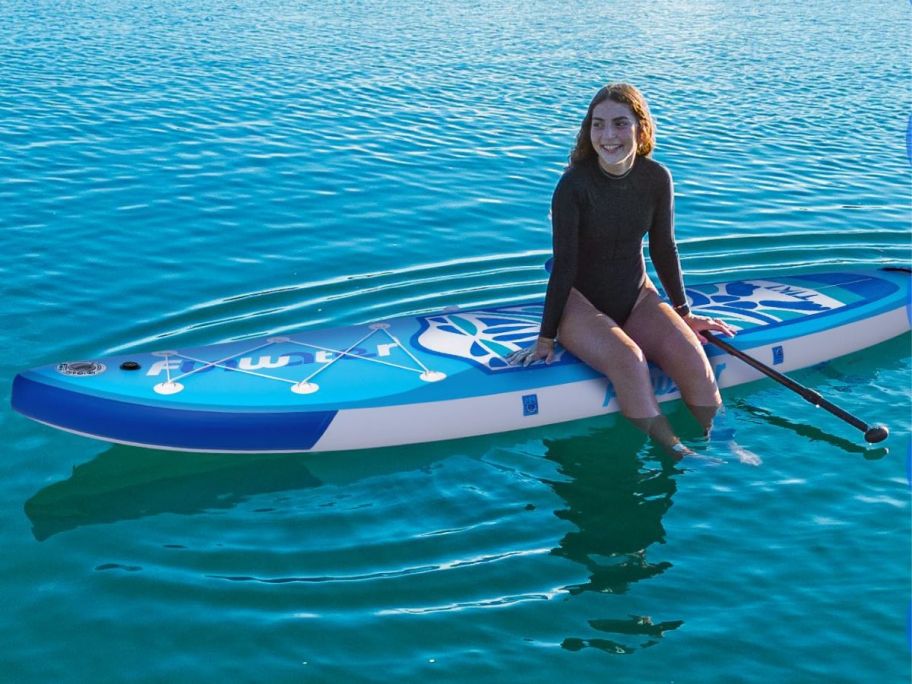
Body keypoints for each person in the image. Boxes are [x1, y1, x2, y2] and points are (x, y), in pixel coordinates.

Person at [508, 83, 735, 458]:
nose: (607, 136)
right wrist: (546, 338)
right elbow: (563, 265)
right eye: (598, 125)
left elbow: (663, 248)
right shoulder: (573, 186)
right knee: (630, 361)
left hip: (636, 296)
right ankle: (678, 451)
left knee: (693, 355)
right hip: (578, 305)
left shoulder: (657, 178)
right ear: (588, 131)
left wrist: (683, 314)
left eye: (619, 123)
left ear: (641, 129)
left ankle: (725, 442)